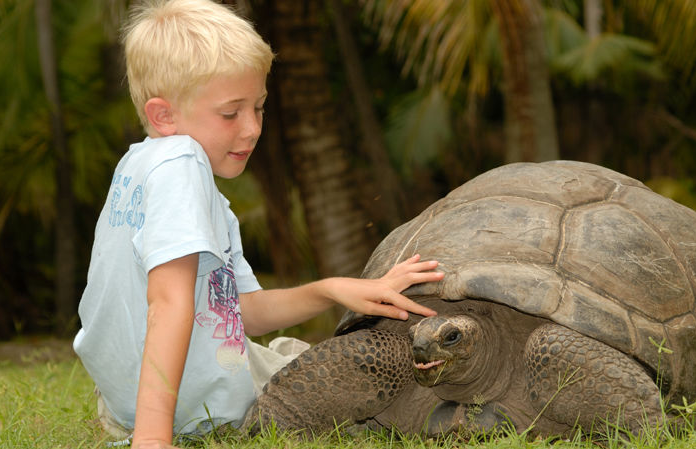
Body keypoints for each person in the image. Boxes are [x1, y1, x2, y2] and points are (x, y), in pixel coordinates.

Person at [72, 1, 443, 448]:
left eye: (260, 108)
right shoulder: (181, 163)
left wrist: (330, 290)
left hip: (126, 400)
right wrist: (152, 437)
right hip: (188, 408)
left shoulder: (138, 167)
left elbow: (245, 312)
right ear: (163, 115)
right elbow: (167, 304)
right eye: (231, 113)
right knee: (354, 371)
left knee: (277, 353)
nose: (251, 129)